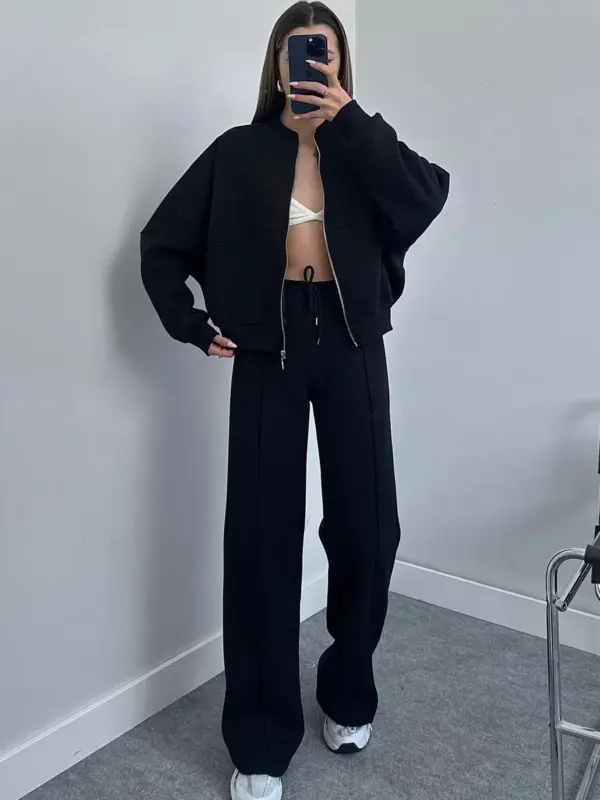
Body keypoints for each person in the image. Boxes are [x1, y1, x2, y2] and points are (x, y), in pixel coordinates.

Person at [141, 2, 449, 798]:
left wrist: (352, 121)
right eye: (296, 49)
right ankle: (259, 738)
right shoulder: (237, 151)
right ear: (276, 63)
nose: (310, 62)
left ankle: (347, 692)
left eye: (324, 50)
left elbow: (425, 198)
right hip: (266, 350)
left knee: (368, 530)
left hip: (352, 346)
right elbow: (161, 244)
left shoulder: (364, 147)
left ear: (341, 63)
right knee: (260, 540)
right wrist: (190, 323)